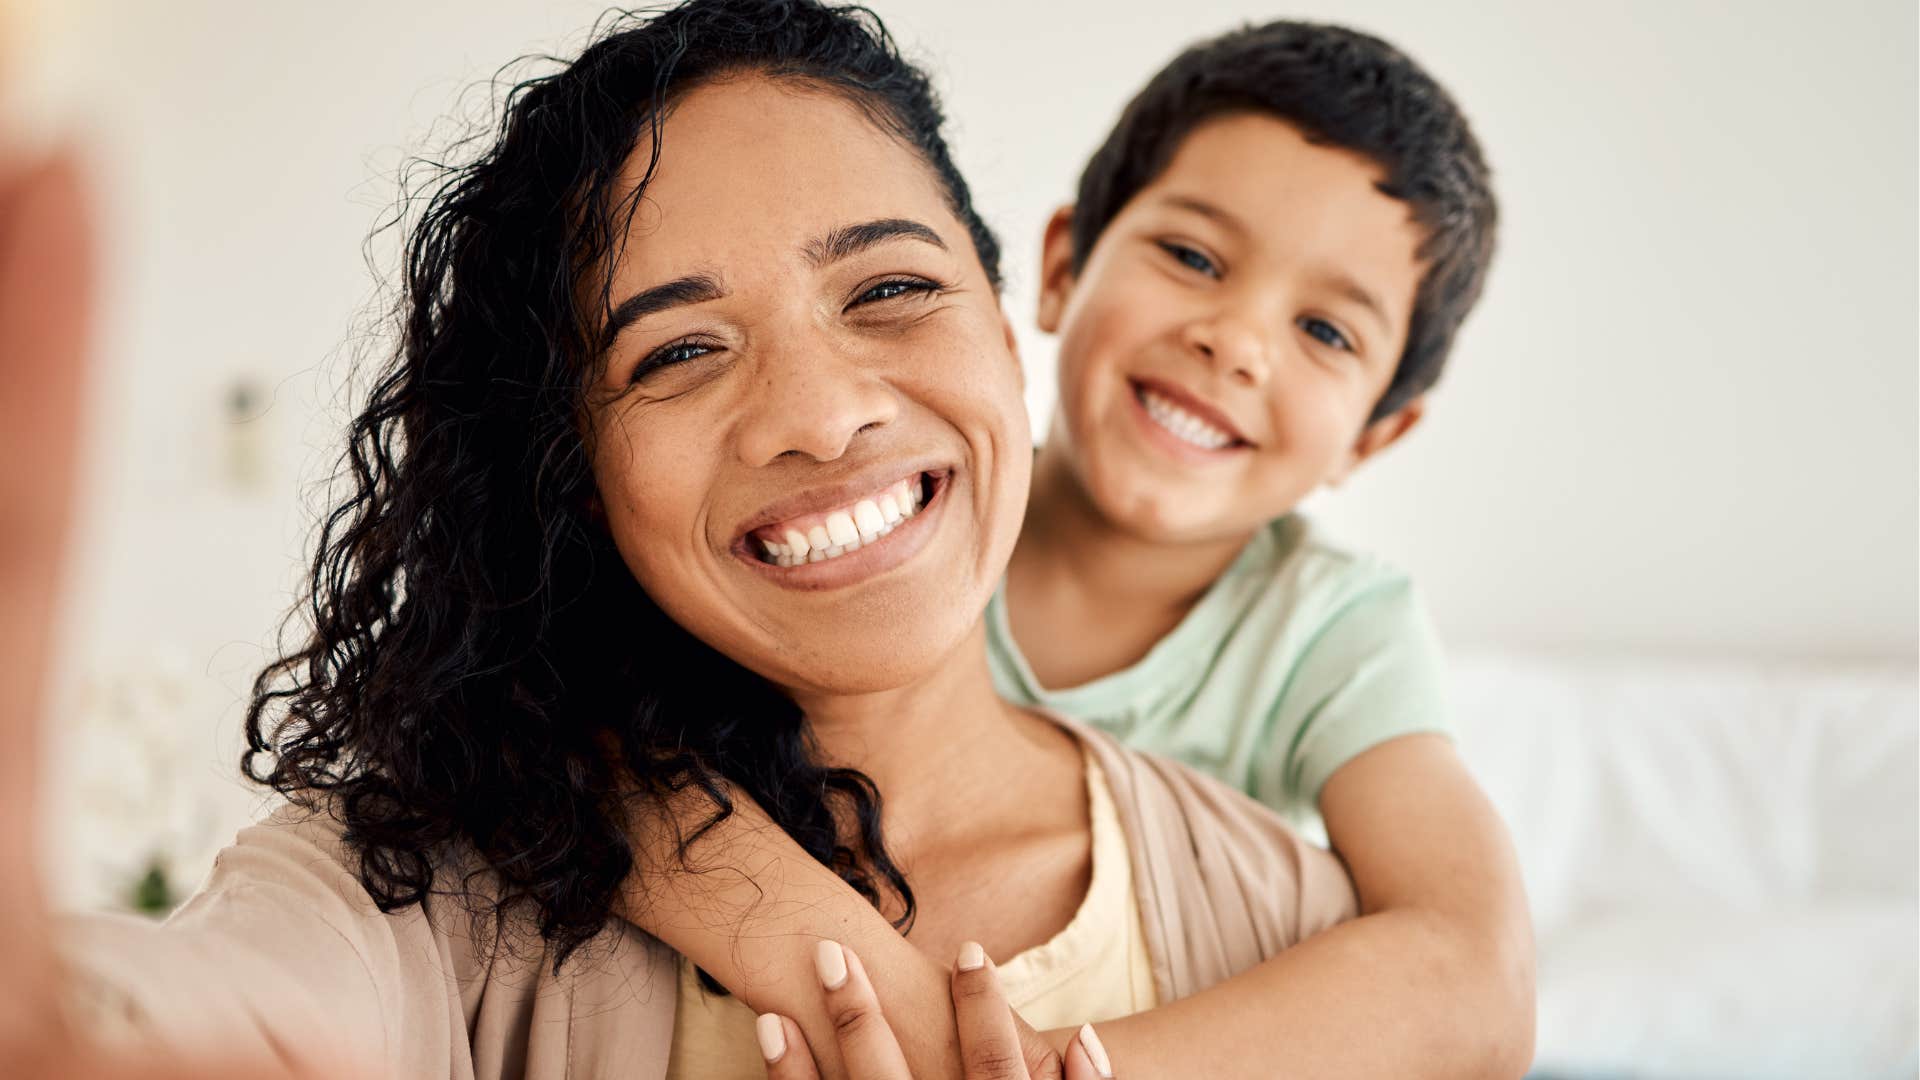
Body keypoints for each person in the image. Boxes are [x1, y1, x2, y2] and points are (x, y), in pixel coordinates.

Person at [0, 2, 1356, 1077]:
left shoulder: (1285, 920)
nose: (822, 418)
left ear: (1005, 341)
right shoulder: (427, 896)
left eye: (889, 287)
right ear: (576, 471)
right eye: (678, 352)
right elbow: (225, 996)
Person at [630, 18, 1536, 1079]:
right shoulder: (898, 523)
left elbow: (1479, 978)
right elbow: (611, 786)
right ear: (1059, 268)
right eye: (1193, 257)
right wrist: (925, 1022)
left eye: (1326, 332)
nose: (1234, 343)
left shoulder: (1333, 628)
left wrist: (1043, 1066)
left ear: (1376, 434)